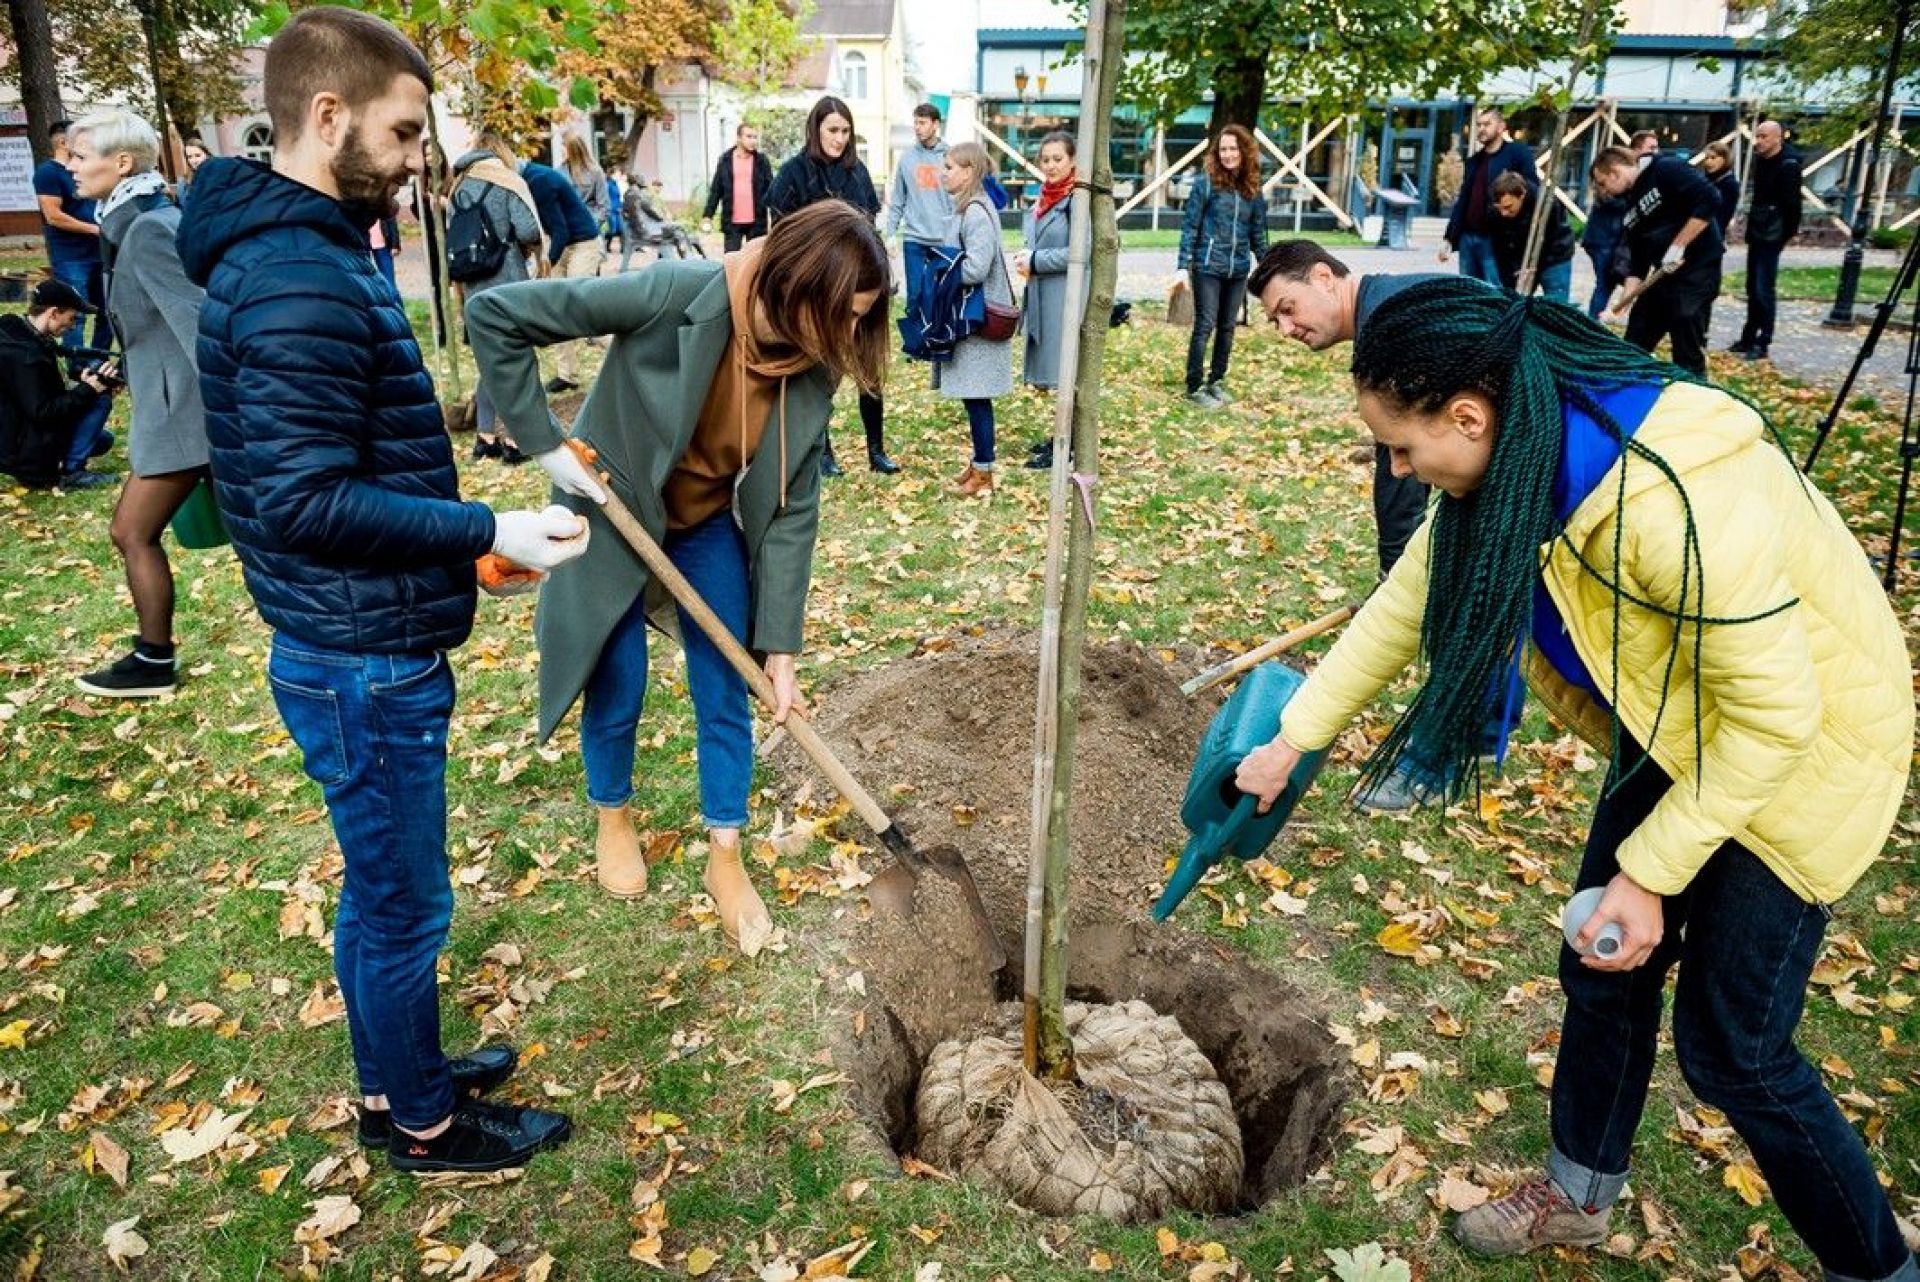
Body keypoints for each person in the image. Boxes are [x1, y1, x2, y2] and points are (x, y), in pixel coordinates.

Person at [1235, 278, 1916, 1282]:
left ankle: (1877, 1266)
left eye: (1403, 448)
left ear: (1468, 418)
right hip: (1678, 727)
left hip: (1807, 759)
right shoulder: (1517, 457)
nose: (1398, 469)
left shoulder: (1672, 499)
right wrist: (1296, 740)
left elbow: (1778, 719)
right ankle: (1579, 1194)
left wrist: (1649, 876)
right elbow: (1406, 600)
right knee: (1601, 964)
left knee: (1734, 1048)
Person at [176, 5, 586, 1174]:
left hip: (354, 630)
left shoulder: (308, 252)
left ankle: (394, 1075)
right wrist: (487, 525)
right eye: (404, 133)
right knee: (405, 906)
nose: (418, 160)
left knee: (380, 892)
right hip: (360, 659)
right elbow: (307, 499)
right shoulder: (296, 277)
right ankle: (426, 1125)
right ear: (327, 117)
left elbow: (344, 460)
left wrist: (467, 548)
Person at [463, 200, 889, 942]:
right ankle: (613, 815)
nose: (847, 337)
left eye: (858, 320)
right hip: (613, 508)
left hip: (700, 520)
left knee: (727, 681)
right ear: (798, 288)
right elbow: (496, 315)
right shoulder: (676, 293)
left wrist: (782, 651)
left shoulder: (813, 368)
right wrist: (547, 445)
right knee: (617, 674)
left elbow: (792, 511)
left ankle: (725, 854)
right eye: (841, 316)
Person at [1248, 239, 1512, 810]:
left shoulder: (1394, 323)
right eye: (1274, 321)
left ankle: (1437, 759)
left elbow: (1405, 468)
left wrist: (1398, 562)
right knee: (1480, 603)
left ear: (1324, 277)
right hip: (1500, 471)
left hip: (1511, 474)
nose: (1285, 329)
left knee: (1465, 609)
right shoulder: (1391, 305)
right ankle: (1482, 731)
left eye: (1287, 308)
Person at [65, 110, 212, 697]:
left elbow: (198, 325)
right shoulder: (131, 220)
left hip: (186, 414)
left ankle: (154, 660)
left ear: (122, 163)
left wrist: (237, 416)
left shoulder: (149, 228)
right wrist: (125, 366)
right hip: (173, 405)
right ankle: (153, 655)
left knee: (131, 531)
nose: (70, 167)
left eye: (80, 156)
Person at [767, 96, 891, 476]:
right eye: (832, 130)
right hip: (818, 293)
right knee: (820, 373)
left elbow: (871, 230)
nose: (840, 138)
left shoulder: (857, 173)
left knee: (869, 368)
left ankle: (876, 450)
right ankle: (823, 452)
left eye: (845, 131)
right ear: (815, 129)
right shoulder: (794, 173)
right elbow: (780, 237)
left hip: (861, 289)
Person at [446, 131, 545, 463]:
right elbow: (528, 230)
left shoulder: (458, 185)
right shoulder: (506, 181)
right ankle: (516, 442)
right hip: (508, 281)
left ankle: (485, 437)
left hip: (473, 286)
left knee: (490, 361)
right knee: (519, 359)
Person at [1590, 145, 1723, 376]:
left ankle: (1693, 384)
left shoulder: (1665, 169)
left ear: (1615, 172)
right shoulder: (1630, 210)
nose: (1605, 191)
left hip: (1698, 268)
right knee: (1638, 332)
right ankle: (1630, 383)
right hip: (1664, 273)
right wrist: (1621, 306)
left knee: (1685, 322)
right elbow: (1638, 263)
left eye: (1602, 183)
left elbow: (1710, 199)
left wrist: (1679, 245)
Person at [935, 142, 1015, 498]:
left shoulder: (976, 213)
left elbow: (976, 268)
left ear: (969, 172)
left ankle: (984, 471)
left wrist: (941, 269)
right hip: (971, 319)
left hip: (977, 322)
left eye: (950, 167)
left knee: (977, 397)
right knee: (973, 396)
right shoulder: (971, 207)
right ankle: (979, 463)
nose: (944, 174)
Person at [1176, 124, 1266, 408]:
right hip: (1208, 266)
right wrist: (1182, 265)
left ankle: (1216, 380)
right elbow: (1190, 226)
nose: (1227, 154)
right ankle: (1194, 386)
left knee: (1228, 327)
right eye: (1223, 149)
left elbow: (1258, 233)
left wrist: (1267, 267)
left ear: (1244, 151)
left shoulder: (1253, 187)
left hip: (1238, 268)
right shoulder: (1205, 184)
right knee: (1205, 325)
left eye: (1233, 149)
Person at [0, 278, 118, 490]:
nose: (72, 326)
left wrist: (82, 378)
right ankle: (72, 473)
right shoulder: (27, 357)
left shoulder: (18, 334)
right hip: (26, 456)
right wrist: (89, 389)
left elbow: (41, 390)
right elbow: (43, 412)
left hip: (14, 440)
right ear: (53, 313)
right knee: (100, 400)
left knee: (103, 441)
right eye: (71, 318)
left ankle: (60, 457)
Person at [518, 143, 605, 393]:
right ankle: (567, 374)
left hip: (582, 242)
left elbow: (561, 230)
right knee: (555, 307)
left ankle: (622, 350)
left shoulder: (539, 181)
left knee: (579, 303)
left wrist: (547, 265)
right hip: (557, 242)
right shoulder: (529, 178)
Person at [1013, 131, 1075, 470]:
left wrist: (1036, 260)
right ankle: (1060, 438)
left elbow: (1080, 252)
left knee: (1066, 372)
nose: (1050, 166)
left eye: (1057, 159)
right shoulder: (1043, 197)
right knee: (1055, 373)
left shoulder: (1076, 200)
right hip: (1041, 293)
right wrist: (1027, 257)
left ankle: (1067, 444)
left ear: (1072, 160)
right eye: (1045, 159)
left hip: (1064, 297)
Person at [33, 119, 112, 355]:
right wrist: (95, 229)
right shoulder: (48, 173)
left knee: (108, 312)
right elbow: (53, 216)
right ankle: (78, 365)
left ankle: (99, 358)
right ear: (63, 142)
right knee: (74, 314)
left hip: (99, 253)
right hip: (71, 257)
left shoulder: (86, 170)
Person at [1440, 107, 1537, 286]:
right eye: (1478, 125)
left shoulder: (1518, 154)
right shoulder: (1474, 161)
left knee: (1495, 290)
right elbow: (1463, 200)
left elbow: (1530, 193)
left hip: (1496, 239)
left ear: (1501, 127)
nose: (1481, 129)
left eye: (1487, 124)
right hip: (1468, 238)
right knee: (1468, 289)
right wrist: (1449, 238)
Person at [1733, 120, 1801, 364]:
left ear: (1777, 138)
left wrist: (1786, 233)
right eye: (1757, 136)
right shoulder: (1763, 161)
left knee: (1763, 288)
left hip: (1773, 231)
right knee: (1753, 286)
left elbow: (1792, 204)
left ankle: (1763, 341)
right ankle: (1749, 337)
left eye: (1764, 137)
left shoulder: (1788, 164)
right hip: (1760, 228)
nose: (1758, 141)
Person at [885, 103, 952, 308]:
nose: (917, 127)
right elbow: (898, 198)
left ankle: (937, 331)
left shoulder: (950, 157)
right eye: (915, 123)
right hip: (914, 240)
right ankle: (915, 331)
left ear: (935, 124)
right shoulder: (907, 158)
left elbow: (958, 198)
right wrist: (890, 233)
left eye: (922, 123)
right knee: (915, 297)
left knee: (940, 297)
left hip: (944, 239)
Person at [1487, 171, 1574, 303]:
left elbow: (1551, 241)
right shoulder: (1495, 211)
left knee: (1556, 301)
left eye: (1508, 207)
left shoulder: (1546, 205)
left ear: (1522, 195)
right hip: (1519, 259)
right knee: (1515, 301)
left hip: (1554, 256)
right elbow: (1500, 249)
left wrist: (1533, 267)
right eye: (1500, 208)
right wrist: (1513, 274)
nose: (1503, 213)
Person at [702, 122, 773, 253]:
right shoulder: (725, 160)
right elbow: (716, 190)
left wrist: (776, 218)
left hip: (757, 222)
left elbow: (771, 190)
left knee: (755, 260)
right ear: (739, 138)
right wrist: (708, 215)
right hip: (732, 222)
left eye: (755, 137)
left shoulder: (762, 161)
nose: (753, 141)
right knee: (731, 259)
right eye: (749, 136)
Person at [1578, 190, 1626, 320]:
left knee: (1605, 284)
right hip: (1603, 240)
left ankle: (1593, 319)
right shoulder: (1612, 189)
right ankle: (1593, 320)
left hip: (1602, 240)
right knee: (1605, 284)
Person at [621, 173, 681, 272]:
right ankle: (674, 265)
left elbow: (649, 210)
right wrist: (644, 232)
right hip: (640, 231)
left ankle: (669, 263)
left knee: (672, 231)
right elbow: (638, 216)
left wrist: (660, 219)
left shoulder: (634, 193)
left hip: (640, 229)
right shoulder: (634, 194)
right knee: (673, 233)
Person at [561, 134, 609, 253]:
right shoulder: (558, 172)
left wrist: (592, 225)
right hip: (566, 234)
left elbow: (604, 206)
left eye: (564, 146)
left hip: (589, 233)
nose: (561, 150)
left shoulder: (595, 172)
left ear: (573, 149)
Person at [1699, 142, 1739, 235]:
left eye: (1713, 158)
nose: (1708, 162)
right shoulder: (1704, 180)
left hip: (1713, 234)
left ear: (1724, 159)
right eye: (1706, 158)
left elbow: (1723, 216)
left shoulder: (1730, 184)